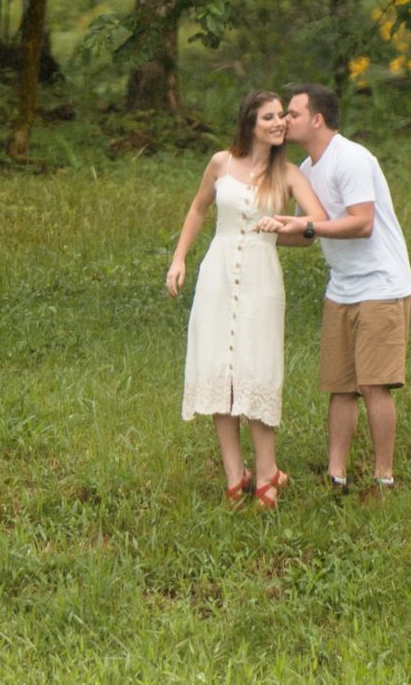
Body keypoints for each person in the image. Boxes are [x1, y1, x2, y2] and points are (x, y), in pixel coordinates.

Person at [166, 89, 327, 508]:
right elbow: (198, 208)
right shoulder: (221, 162)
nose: (279, 123)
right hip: (217, 275)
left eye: (281, 116)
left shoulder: (288, 174)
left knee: (256, 369)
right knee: (220, 370)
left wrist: (285, 223)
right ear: (249, 122)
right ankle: (235, 476)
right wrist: (179, 258)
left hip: (261, 278)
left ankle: (268, 472)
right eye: (268, 117)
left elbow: (318, 221)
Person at [276, 82, 411, 493]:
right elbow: (306, 234)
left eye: (293, 113)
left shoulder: (351, 158)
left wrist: (307, 225)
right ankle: (336, 476)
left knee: (374, 384)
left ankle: (383, 478)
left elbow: (361, 222)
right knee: (340, 387)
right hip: (341, 287)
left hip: (381, 284)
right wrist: (258, 233)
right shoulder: (306, 169)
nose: (285, 120)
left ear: (317, 119)